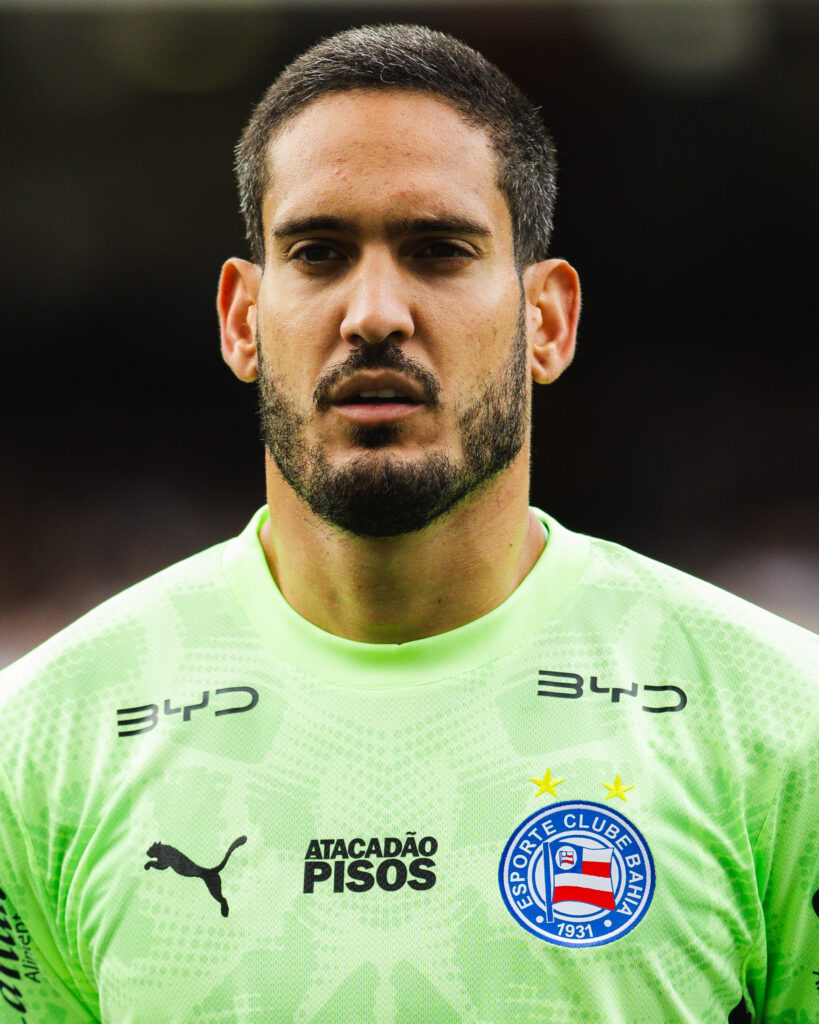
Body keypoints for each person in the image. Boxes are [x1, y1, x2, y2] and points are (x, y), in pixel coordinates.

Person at [0, 23, 816, 1024]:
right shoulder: (41, 745)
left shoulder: (783, 728)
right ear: (241, 319)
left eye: (437, 251)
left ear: (548, 321)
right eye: (319, 254)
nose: (375, 313)